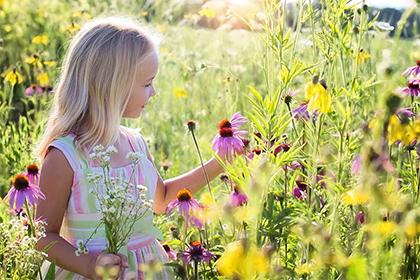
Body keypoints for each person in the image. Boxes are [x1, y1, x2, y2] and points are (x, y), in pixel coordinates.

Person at [35, 16, 228, 279]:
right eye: (147, 83)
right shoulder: (65, 155)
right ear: (112, 86)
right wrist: (89, 266)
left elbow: (161, 200)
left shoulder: (134, 143)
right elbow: (44, 236)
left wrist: (219, 163)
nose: (154, 92)